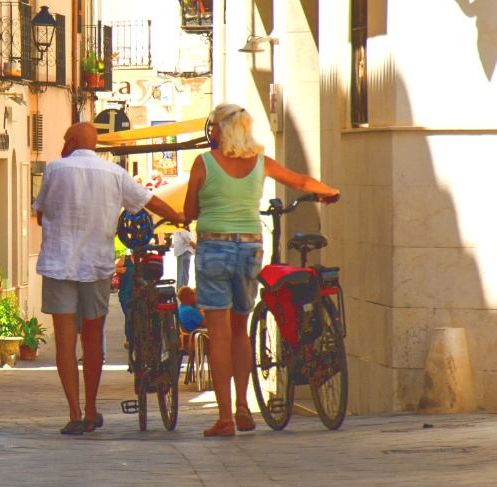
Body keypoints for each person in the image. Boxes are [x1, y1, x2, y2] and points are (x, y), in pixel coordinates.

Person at [181, 102, 339, 439]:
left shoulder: (204, 162)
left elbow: (189, 211)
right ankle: (242, 407)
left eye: (214, 126)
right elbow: (300, 180)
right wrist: (327, 191)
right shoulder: (260, 162)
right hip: (250, 248)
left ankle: (225, 417)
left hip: (214, 247)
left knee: (219, 335)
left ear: (219, 129)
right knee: (240, 331)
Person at [34, 122, 181, 436]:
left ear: (73, 141)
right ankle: (91, 408)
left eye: (65, 139)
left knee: (65, 341)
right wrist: (180, 216)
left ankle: (74, 413)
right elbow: (149, 201)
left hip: (59, 264)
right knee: (92, 338)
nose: (63, 144)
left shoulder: (54, 170)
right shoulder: (114, 173)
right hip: (96, 266)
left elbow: (40, 214)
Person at [171, 224, 196, 291]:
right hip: (184, 250)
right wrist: (195, 246)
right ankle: (182, 290)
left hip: (185, 250)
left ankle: (183, 289)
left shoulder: (184, 225)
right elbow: (186, 237)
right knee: (183, 273)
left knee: (184, 272)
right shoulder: (182, 225)